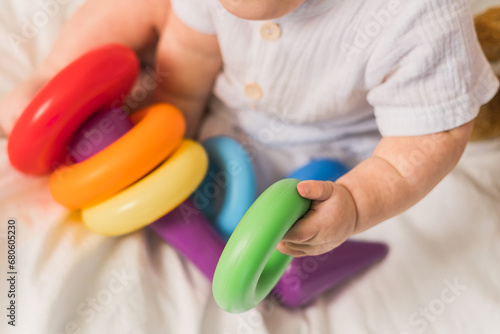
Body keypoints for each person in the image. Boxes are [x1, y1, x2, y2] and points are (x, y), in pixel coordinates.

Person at [1, 0, 498, 257]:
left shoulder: (417, 19)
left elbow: (425, 144)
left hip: (325, 134)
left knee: (446, 99)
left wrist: (357, 203)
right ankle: (51, 78)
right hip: (229, 87)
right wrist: (173, 117)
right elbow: (192, 53)